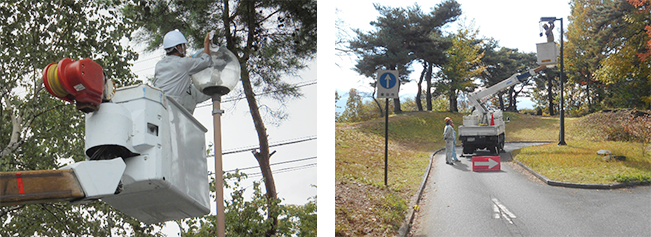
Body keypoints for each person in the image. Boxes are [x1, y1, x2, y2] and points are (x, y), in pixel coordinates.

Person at [154, 29, 212, 114]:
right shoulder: (184, 63)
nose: (185, 49)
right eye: (183, 46)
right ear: (178, 48)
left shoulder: (159, 65)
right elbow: (207, 60)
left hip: (159, 107)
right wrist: (207, 43)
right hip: (175, 109)